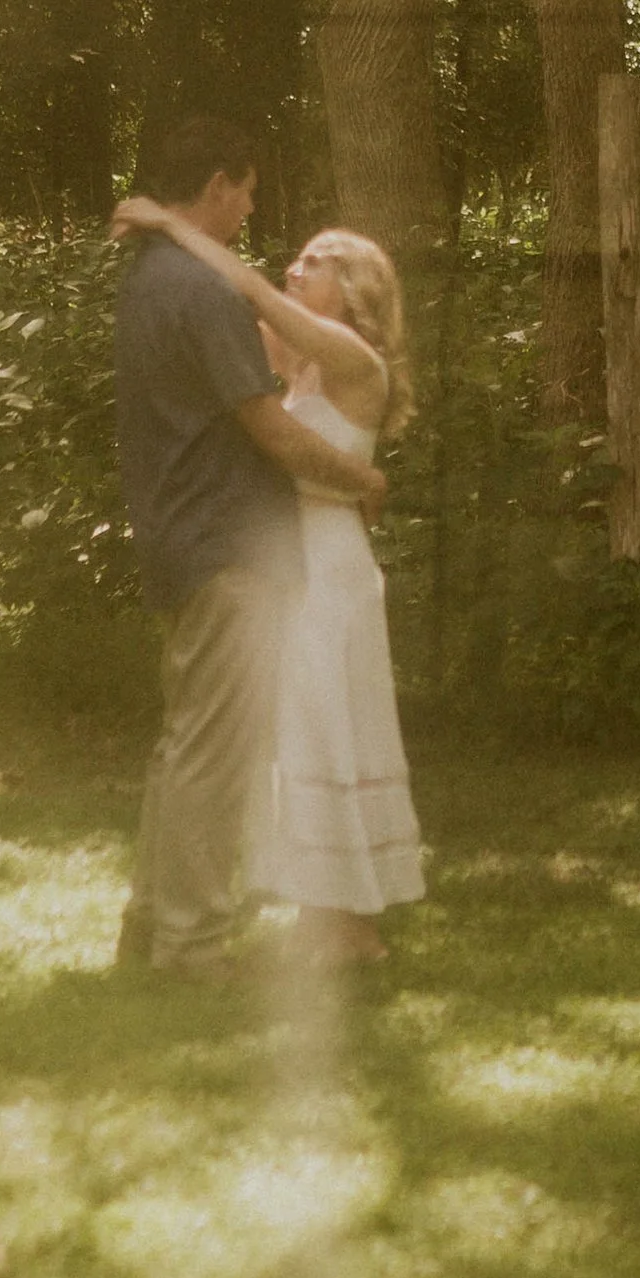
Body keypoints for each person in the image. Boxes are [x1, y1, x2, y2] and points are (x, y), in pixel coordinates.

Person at [110, 187, 423, 966]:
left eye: (315, 262)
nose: (294, 267)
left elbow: (245, 286)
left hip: (330, 565)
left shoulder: (354, 360)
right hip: (291, 557)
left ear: (354, 288)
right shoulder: (301, 363)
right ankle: (330, 921)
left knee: (332, 731)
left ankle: (350, 926)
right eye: (298, 258)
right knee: (303, 735)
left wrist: (173, 223)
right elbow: (208, 331)